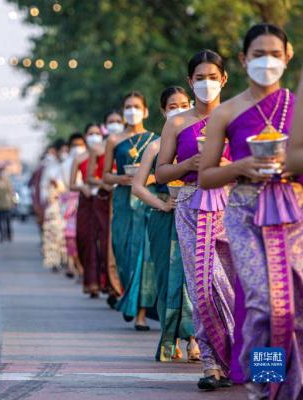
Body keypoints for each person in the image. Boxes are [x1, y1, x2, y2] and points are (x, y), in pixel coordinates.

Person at [199, 24, 302, 399]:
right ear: (243, 60)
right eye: (259, 54)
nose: (267, 61)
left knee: (295, 306)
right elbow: (207, 175)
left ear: (288, 57)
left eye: (275, 54)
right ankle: (264, 384)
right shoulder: (226, 112)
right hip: (245, 210)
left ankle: (293, 387)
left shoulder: (297, 105)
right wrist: (240, 167)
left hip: (293, 210)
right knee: (263, 302)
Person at [156, 50, 236, 390]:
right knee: (203, 287)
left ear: (225, 79)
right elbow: (160, 173)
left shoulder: (240, 115)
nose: (207, 83)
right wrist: (189, 165)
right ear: (191, 82)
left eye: (212, 77)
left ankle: (262, 369)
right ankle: (211, 364)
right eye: (200, 78)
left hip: (237, 209)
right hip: (192, 207)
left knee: (250, 290)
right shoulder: (177, 122)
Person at [132, 86, 197, 362]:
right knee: (166, 280)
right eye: (173, 106)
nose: (179, 110)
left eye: (184, 104)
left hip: (194, 214)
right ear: (162, 111)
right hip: (163, 218)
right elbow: (137, 186)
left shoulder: (199, 140)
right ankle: (170, 341)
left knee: (192, 280)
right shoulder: (156, 146)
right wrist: (161, 204)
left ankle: (195, 339)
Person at [101, 93, 158, 330]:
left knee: (143, 256)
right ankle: (128, 298)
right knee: (123, 253)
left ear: (145, 111)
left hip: (147, 200)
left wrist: (146, 178)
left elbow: (164, 173)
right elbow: (105, 177)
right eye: (128, 107)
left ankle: (140, 313)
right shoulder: (114, 140)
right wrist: (121, 178)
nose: (131, 111)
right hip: (123, 201)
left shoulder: (156, 140)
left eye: (136, 107)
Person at [74, 122, 117, 299]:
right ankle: (92, 281)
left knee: (109, 241)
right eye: (90, 133)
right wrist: (105, 183)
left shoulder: (117, 147)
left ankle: (110, 283)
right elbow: (88, 178)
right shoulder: (85, 155)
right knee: (89, 241)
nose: (94, 136)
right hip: (91, 199)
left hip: (111, 199)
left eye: (96, 133)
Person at [60, 132, 86, 279]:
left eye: (81, 145)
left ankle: (79, 267)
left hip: (86, 202)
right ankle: (75, 266)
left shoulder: (90, 160)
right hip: (69, 206)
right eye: (75, 145)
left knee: (83, 237)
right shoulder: (64, 165)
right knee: (70, 237)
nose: (78, 148)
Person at [40, 139, 67, 271]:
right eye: (62, 151)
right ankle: (54, 261)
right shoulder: (50, 168)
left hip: (69, 205)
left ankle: (67, 261)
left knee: (66, 235)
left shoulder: (71, 165)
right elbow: (43, 188)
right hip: (54, 205)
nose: (64, 153)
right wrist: (48, 198)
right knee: (53, 234)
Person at [0, 164, 15, 242]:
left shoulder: (7, 180)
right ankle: (1, 235)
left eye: (2, 171)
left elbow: (12, 192)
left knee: (8, 221)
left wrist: (13, 201)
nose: (1, 173)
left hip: (7, 204)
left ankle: (9, 234)